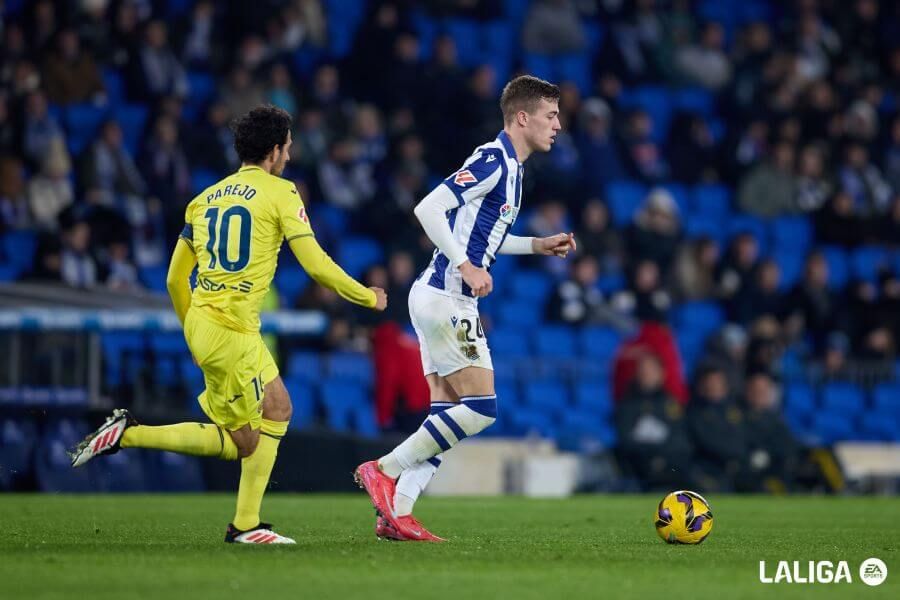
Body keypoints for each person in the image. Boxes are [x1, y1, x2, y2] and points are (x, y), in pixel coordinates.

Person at [69, 105, 387, 544]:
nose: (289, 156)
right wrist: (367, 296)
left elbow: (174, 279)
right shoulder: (282, 192)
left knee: (279, 408)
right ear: (273, 151)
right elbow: (316, 265)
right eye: (287, 148)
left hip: (214, 325)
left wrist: (193, 333)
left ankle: (246, 524)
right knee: (243, 442)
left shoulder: (204, 199)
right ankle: (132, 436)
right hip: (230, 334)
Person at [354, 76, 576, 542]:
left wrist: (536, 245)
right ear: (522, 117)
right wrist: (466, 265)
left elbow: (485, 237)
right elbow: (428, 209)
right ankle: (384, 469)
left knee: (446, 415)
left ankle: (397, 514)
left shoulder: (513, 170)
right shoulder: (492, 159)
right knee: (481, 408)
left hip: (438, 296)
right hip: (446, 296)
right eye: (551, 115)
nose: (558, 125)